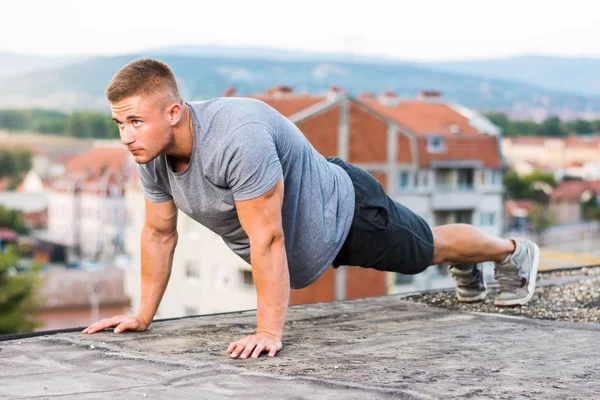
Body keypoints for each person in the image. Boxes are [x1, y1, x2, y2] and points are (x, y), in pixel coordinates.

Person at [82, 58, 540, 359]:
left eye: (136, 121)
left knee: (428, 250)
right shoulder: (151, 154)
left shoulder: (236, 137)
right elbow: (159, 234)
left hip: (346, 212)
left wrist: (268, 331)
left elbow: (268, 237)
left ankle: (509, 251)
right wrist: (142, 315)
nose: (126, 136)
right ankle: (473, 264)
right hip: (311, 240)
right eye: (120, 123)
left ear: (174, 113)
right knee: (431, 250)